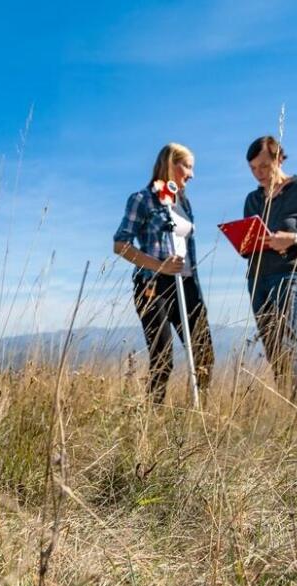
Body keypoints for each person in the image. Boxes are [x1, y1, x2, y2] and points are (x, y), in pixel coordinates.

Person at [113, 143, 214, 404]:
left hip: (188, 284)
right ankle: (152, 421)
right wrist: (159, 265)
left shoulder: (184, 203)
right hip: (153, 285)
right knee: (162, 357)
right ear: (170, 163)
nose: (191, 174)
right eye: (188, 166)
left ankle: (198, 416)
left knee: (203, 354)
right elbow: (120, 244)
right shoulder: (141, 199)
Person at [243, 135, 297, 403]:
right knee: (272, 344)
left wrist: (292, 239)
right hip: (258, 277)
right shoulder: (252, 199)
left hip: (292, 273)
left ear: (279, 159)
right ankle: (290, 405)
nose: (259, 174)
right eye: (253, 169)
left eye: (264, 167)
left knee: (284, 338)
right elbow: (249, 240)